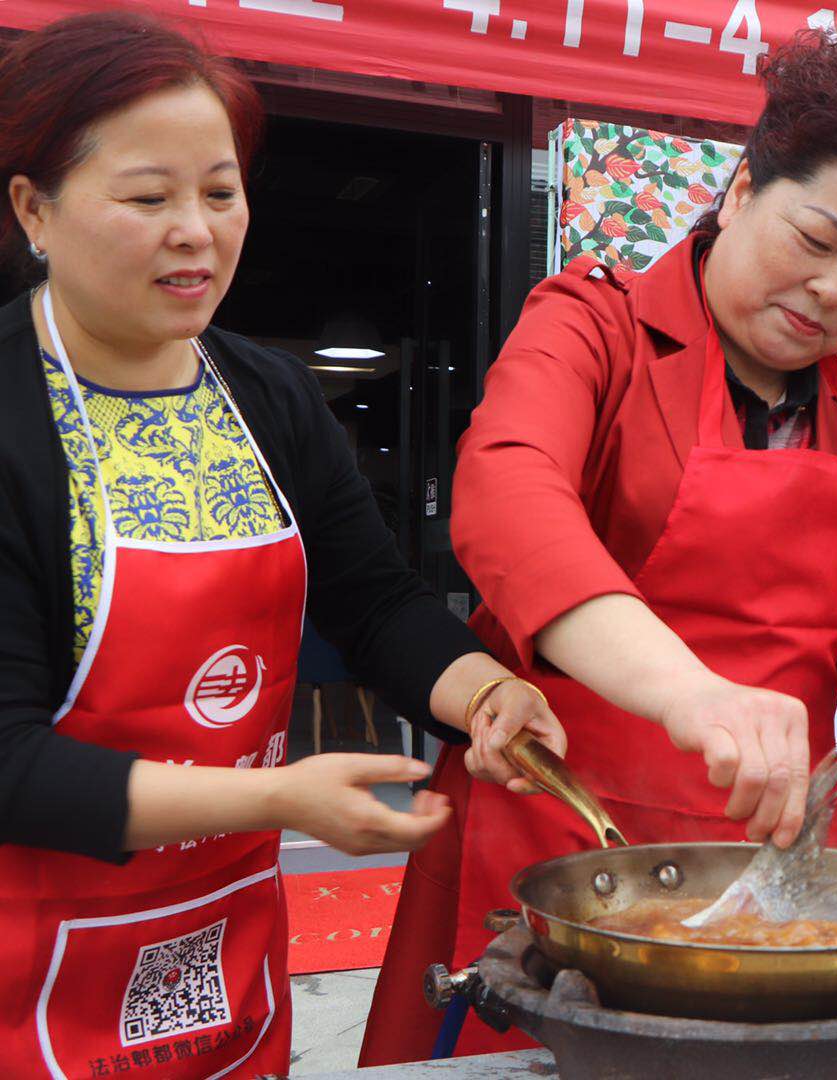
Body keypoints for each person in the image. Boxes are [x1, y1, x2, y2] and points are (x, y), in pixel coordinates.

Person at [361, 30, 837, 1063]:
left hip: (785, 875)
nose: (833, 293)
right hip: (567, 848)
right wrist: (688, 692)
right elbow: (509, 500)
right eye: (815, 241)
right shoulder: (595, 326)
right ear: (742, 189)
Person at [0, 15, 563, 1078]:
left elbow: (375, 601)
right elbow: (8, 761)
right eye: (147, 196)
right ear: (34, 207)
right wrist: (276, 799)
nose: (196, 232)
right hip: (23, 956)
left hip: (223, 943)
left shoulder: (267, 396)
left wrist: (482, 692)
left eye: (220, 193)